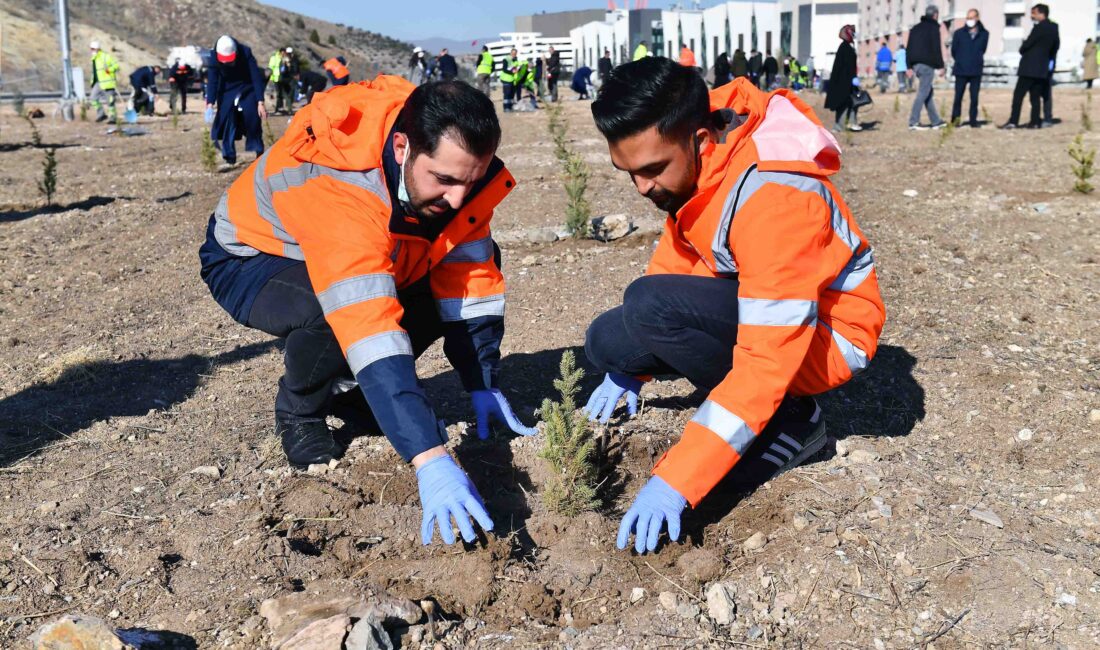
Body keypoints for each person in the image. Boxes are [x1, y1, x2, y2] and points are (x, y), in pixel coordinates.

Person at [199, 78, 534, 547]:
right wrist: (430, 458)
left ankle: (355, 395)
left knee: (441, 291)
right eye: (445, 180)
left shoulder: (452, 173)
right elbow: (366, 319)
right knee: (333, 314)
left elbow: (469, 281)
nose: (459, 199)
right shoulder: (341, 182)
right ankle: (301, 411)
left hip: (370, 249)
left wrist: (482, 382)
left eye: (471, 181)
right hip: (252, 257)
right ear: (402, 148)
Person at [585, 58, 884, 554]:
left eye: (652, 170)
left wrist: (676, 481)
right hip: (767, 310)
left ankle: (795, 421)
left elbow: (766, 361)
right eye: (628, 172)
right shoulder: (698, 158)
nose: (642, 187)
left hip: (826, 336)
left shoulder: (775, 198)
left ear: (701, 140)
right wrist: (631, 368)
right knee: (611, 340)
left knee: (649, 308)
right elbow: (676, 266)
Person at [205, 35, 267, 168]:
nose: (227, 64)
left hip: (246, 87)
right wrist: (210, 102)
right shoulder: (214, 57)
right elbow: (213, 81)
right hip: (227, 90)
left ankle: (258, 151)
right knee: (227, 120)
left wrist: (260, 101)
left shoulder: (245, 53)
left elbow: (256, 77)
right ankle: (229, 156)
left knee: (252, 119)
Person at [1001, 4, 1059, 129]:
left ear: (1041, 14)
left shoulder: (1038, 28)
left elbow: (1027, 45)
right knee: (1035, 97)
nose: (1032, 16)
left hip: (1028, 68)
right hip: (1041, 69)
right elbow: (1055, 47)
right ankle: (1035, 122)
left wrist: (1023, 48)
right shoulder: (1053, 28)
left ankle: (1013, 121)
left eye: (1034, 13)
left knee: (1018, 95)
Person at [907, 5, 947, 130]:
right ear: (935, 15)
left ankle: (936, 121)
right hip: (927, 65)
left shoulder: (915, 28)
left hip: (916, 65)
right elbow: (936, 48)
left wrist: (909, 66)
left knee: (927, 92)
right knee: (923, 92)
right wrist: (941, 66)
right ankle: (914, 121)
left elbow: (909, 48)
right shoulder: (933, 28)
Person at [950, 8, 988, 127]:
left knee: (974, 98)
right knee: (958, 97)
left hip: (975, 70)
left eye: (971, 18)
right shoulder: (959, 33)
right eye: (968, 18)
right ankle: (955, 120)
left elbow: (983, 49)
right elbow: (954, 50)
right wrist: (961, 60)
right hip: (961, 70)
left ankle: (973, 120)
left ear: (977, 18)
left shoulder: (984, 34)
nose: (969, 20)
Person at [826, 25, 861, 132]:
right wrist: (852, 79)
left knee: (853, 102)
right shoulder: (845, 48)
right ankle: (839, 126)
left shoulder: (847, 47)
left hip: (848, 81)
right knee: (843, 104)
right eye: (853, 32)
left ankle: (852, 123)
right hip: (843, 82)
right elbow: (847, 67)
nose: (854, 34)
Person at [89, 41, 120, 122]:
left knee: (110, 102)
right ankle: (101, 114)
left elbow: (116, 66)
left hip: (108, 83)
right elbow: (95, 72)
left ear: (97, 49)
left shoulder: (106, 57)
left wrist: (110, 70)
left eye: (92, 49)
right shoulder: (94, 59)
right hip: (98, 83)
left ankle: (113, 118)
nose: (91, 51)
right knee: (93, 99)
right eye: (91, 49)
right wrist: (92, 81)